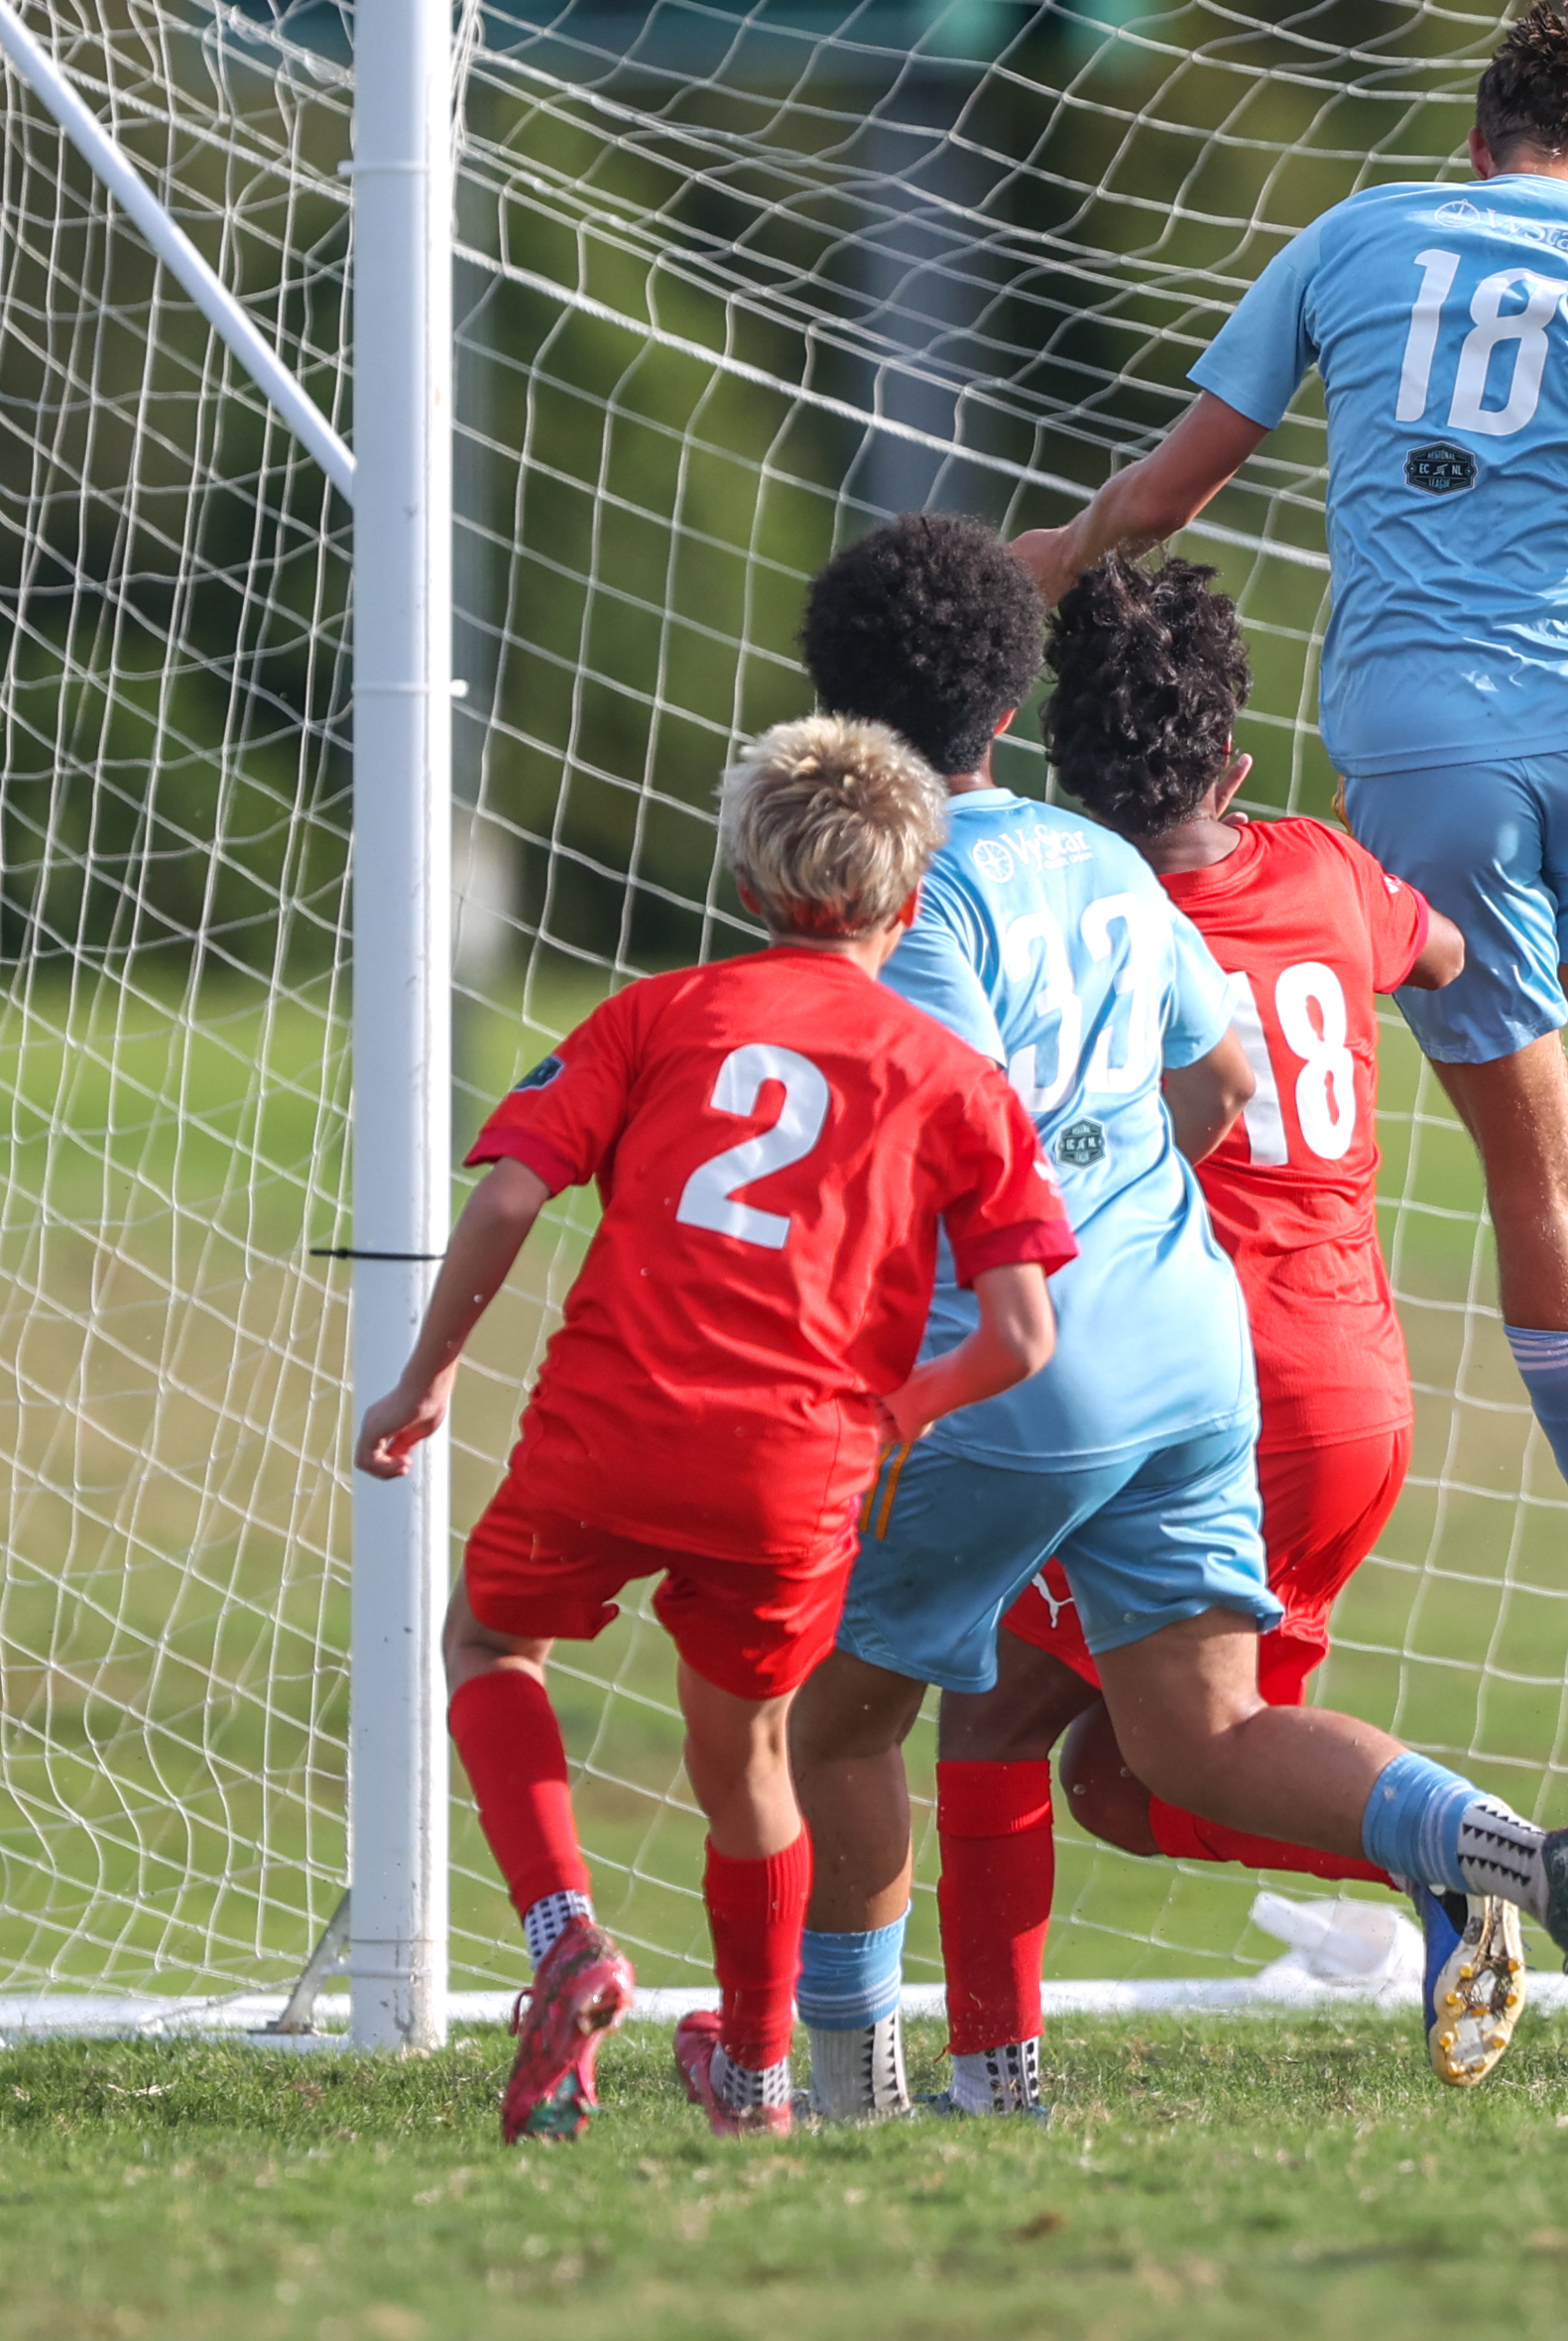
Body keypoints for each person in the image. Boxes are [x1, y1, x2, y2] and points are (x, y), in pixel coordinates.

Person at [1005, 0, 1568, 1648]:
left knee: (1536, 1179)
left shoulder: (1357, 237)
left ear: (1477, 141)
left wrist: (1044, 567)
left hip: (1422, 749)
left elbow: (1165, 493)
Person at [784, 514, 1568, 2124]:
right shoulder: (1284, 876)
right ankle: (1497, 1862)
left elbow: (944, 1119)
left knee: (952, 1715)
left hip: (1100, 1352)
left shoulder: (966, 894)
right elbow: (1340, 1009)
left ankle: (944, 2085)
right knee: (1157, 1767)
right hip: (1320, 1374)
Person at [350, 715, 1071, 2142]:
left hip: (610, 1423)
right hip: (797, 1469)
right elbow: (1021, 1335)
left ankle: (566, 1934)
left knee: (488, 1642)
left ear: (744, 886)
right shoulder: (955, 1082)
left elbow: (503, 1196)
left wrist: (427, 1377)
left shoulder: (656, 1015)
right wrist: (897, 1416)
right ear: (912, 902)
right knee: (745, 1758)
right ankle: (750, 2081)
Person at [1009, 554, 1485, 2009]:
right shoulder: (1329, 873)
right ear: (1237, 759)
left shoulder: (1069, 922)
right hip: (1354, 1394)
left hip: (1191, 1393)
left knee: (990, 1706)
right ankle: (1461, 1886)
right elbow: (1447, 953)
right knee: (1118, 1776)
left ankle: (1485, 1861)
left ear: (1058, 765)